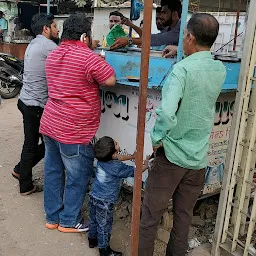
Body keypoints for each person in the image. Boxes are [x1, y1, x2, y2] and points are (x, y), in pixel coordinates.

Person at [138, 13, 227, 256]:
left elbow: (167, 113)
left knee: (150, 218)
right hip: (198, 159)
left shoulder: (182, 71)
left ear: (189, 37)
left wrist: (157, 140)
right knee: (183, 218)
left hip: (172, 157)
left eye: (185, 36)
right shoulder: (219, 69)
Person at [40, 14, 116, 233]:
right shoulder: (87, 56)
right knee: (77, 175)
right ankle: (69, 220)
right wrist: (99, 63)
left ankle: (52, 217)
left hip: (51, 123)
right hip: (74, 129)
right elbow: (110, 80)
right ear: (85, 35)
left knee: (53, 171)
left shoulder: (53, 54)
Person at [12, 13, 59, 196]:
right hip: (34, 105)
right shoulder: (48, 46)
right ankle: (25, 185)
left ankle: (19, 169)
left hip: (26, 100)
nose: (57, 29)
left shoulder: (34, 43)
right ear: (46, 28)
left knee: (37, 143)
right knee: (39, 145)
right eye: (55, 26)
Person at [88, 136, 149, 256]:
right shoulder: (117, 167)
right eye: (116, 143)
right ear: (113, 152)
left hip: (94, 196)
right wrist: (146, 165)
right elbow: (134, 171)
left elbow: (117, 157)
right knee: (104, 225)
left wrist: (131, 156)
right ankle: (104, 250)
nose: (117, 143)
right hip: (105, 201)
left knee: (93, 220)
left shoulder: (102, 159)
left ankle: (92, 240)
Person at [111, 0, 182, 50]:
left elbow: (155, 40)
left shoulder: (181, 29)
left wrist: (128, 41)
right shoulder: (168, 29)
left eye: (164, 13)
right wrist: (131, 25)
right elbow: (149, 37)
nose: (160, 16)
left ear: (174, 14)